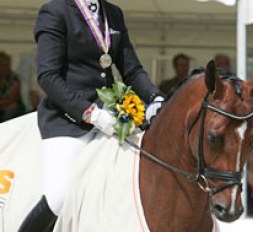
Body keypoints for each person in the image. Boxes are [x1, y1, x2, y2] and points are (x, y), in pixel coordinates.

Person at [18, 0, 164, 231]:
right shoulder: (56, 11)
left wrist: (157, 99)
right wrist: (90, 113)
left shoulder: (113, 13)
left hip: (114, 116)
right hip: (68, 118)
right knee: (59, 197)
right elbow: (47, 76)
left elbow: (132, 69)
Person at [0, 52, 25, 122]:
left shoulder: (14, 78)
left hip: (13, 107)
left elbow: (12, 99)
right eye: (3, 65)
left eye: (7, 65)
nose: (6, 68)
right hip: (4, 106)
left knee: (10, 112)